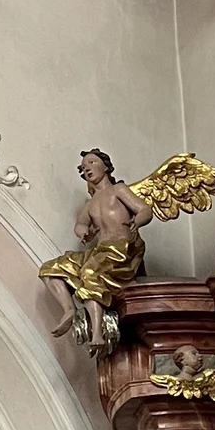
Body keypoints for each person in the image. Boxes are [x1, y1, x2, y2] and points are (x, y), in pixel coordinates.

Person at [38, 148, 150, 352]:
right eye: (83, 167)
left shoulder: (118, 190)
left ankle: (97, 333)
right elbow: (80, 224)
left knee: (90, 272)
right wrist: (84, 233)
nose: (87, 168)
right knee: (51, 268)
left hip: (123, 249)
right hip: (101, 251)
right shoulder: (90, 204)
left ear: (105, 166)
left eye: (92, 163)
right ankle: (68, 309)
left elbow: (144, 209)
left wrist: (137, 221)